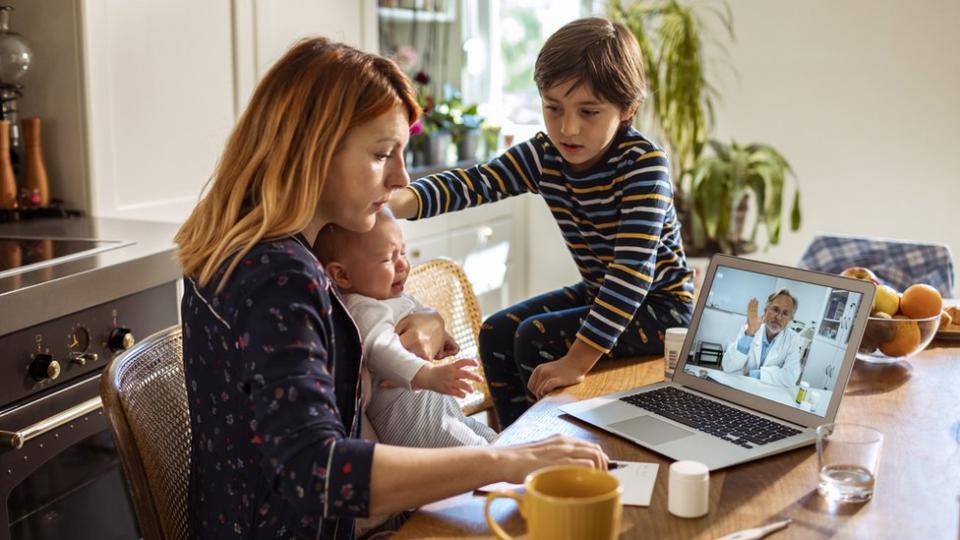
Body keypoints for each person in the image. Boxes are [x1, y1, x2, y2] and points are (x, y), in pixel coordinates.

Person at [174, 37, 607, 540]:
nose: (401, 177)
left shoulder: (240, 247)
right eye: (383, 154)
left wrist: (423, 323)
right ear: (311, 150)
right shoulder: (281, 277)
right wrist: (505, 461)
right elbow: (321, 472)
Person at [390, 18, 694, 427]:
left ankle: (547, 442)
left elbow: (630, 276)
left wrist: (577, 361)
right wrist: (393, 202)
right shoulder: (544, 155)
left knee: (534, 336)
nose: (568, 128)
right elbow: (475, 182)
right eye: (553, 107)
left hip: (664, 309)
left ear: (628, 109)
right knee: (497, 331)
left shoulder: (643, 166)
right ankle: (514, 442)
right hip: (600, 292)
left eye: (588, 112)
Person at [313, 209, 497, 447]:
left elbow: (415, 310)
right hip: (410, 420)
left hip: (434, 410)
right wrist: (427, 374)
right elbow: (381, 349)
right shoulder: (361, 308)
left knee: (494, 442)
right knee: (482, 456)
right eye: (388, 259)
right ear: (342, 274)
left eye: (403, 252)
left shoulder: (387, 296)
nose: (403, 265)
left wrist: (442, 336)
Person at [721, 289, 803, 387]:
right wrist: (750, 333)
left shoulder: (792, 339)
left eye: (785, 313)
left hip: (768, 393)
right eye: (775, 309)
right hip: (741, 387)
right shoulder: (749, 328)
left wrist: (756, 374)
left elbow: (791, 377)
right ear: (765, 311)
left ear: (790, 319)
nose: (779, 317)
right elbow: (728, 366)